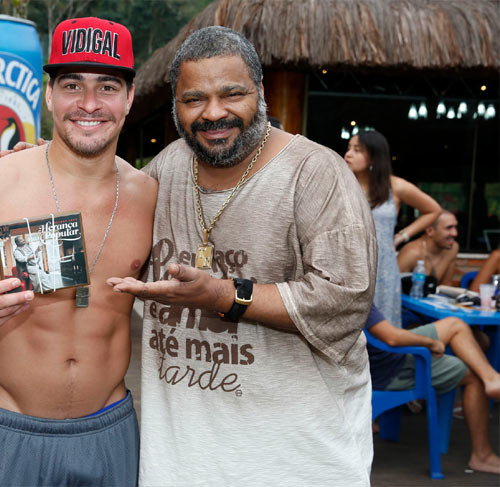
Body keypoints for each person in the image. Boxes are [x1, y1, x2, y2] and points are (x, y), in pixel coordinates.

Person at [107, 26, 378, 485]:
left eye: (232, 94)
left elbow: (346, 299)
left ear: (260, 92)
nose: (213, 113)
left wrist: (221, 294)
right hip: (180, 461)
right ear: (175, 104)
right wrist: (51, 170)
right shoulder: (168, 168)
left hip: (296, 461)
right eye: (194, 100)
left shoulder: (316, 174)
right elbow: (104, 224)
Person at [0, 17, 157, 486]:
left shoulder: (150, 196)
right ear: (48, 94)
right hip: (14, 432)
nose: (89, 104)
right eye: (72, 85)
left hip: (111, 428)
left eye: (107, 86)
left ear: (129, 98)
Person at [365, 303, 500, 474]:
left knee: (455, 324)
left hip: (381, 353)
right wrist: (431, 343)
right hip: (388, 369)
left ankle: (492, 378)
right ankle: (482, 456)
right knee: (474, 374)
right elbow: (392, 338)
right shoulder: (355, 287)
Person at [344, 130, 441, 328]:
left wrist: (401, 236)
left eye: (357, 150)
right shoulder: (342, 183)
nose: (348, 154)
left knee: (384, 327)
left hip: (382, 267)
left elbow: (433, 210)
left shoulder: (395, 186)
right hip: (348, 264)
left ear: (374, 156)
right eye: (348, 148)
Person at [398, 210, 459, 285]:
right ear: (430, 231)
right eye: (448, 228)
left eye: (455, 227)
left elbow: (446, 285)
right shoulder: (411, 253)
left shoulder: (452, 248)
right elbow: (393, 286)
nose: (455, 233)